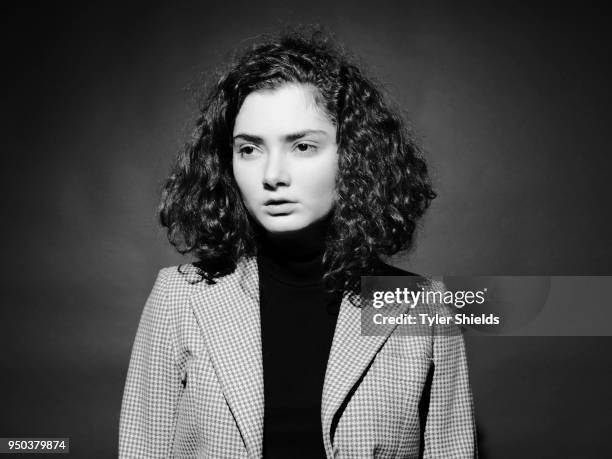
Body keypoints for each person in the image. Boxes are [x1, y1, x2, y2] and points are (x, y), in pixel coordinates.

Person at [119, 27, 477, 458]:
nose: (273, 175)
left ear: (353, 156)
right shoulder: (179, 297)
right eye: (249, 149)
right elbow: (142, 448)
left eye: (303, 146)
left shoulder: (419, 304)